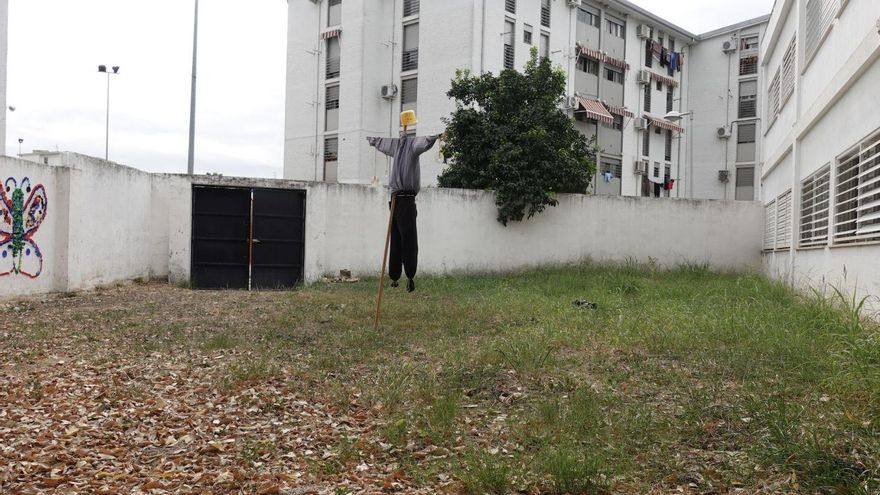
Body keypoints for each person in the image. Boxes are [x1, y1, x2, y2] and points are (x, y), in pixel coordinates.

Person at [366, 111, 440, 292]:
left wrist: (435, 137)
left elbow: (381, 142)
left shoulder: (404, 145)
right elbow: (424, 141)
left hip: (402, 199)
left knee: (404, 238)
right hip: (397, 199)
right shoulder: (404, 145)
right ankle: (397, 275)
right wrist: (436, 136)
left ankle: (406, 275)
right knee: (402, 238)